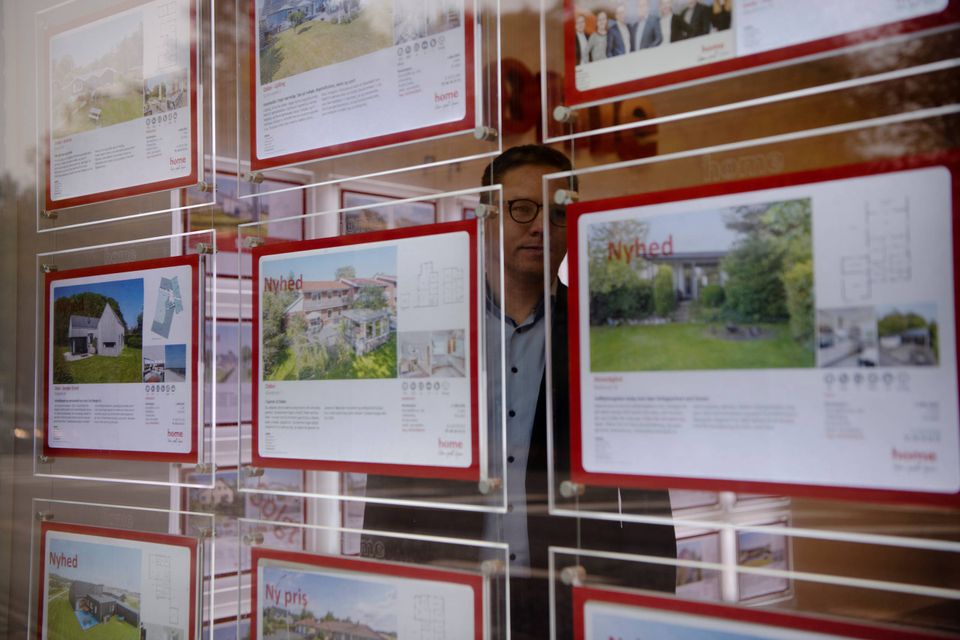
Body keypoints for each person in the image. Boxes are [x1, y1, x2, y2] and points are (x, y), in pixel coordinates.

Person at [361, 146, 677, 639]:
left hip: (567, 598)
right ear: (485, 216)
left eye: (557, 213)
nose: (540, 227)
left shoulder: (605, 332)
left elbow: (646, 496)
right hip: (445, 596)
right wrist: (382, 580)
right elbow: (391, 475)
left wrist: (645, 610)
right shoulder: (431, 327)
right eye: (523, 208)